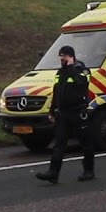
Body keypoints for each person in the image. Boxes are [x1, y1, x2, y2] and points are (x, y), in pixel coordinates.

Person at [35, 45, 96, 183]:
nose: (61, 59)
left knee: (86, 143)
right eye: (60, 57)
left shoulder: (81, 70)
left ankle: (88, 171)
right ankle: (53, 173)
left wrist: (70, 68)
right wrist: (52, 110)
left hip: (78, 112)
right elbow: (57, 92)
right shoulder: (60, 73)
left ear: (71, 56)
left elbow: (82, 83)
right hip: (63, 113)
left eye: (64, 57)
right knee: (59, 144)